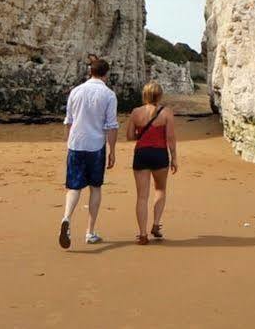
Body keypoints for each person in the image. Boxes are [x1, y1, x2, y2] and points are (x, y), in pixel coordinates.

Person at [60, 56, 118, 248]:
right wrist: (112, 151)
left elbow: (68, 120)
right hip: (95, 146)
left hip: (76, 144)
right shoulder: (109, 95)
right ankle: (90, 231)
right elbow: (111, 126)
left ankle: (66, 218)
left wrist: (69, 142)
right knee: (95, 187)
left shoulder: (75, 91)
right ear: (106, 74)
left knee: (74, 187)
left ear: (90, 72)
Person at [126, 80, 179, 244]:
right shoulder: (166, 113)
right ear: (160, 95)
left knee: (142, 196)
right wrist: (174, 158)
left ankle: (142, 234)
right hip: (159, 154)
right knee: (160, 189)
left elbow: (129, 136)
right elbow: (170, 138)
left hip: (141, 153)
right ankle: (156, 224)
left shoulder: (136, 112)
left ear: (145, 95)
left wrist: (142, 136)